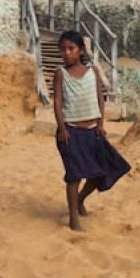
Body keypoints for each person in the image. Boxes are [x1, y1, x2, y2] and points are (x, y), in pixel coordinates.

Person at [53, 30, 131, 232]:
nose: (67, 53)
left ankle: (80, 199)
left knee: (101, 172)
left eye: (71, 48)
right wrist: (62, 127)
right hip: (70, 132)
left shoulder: (93, 72)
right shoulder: (60, 74)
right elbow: (58, 102)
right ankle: (73, 219)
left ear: (80, 50)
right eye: (63, 50)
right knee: (74, 176)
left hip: (92, 132)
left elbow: (99, 98)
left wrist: (100, 124)